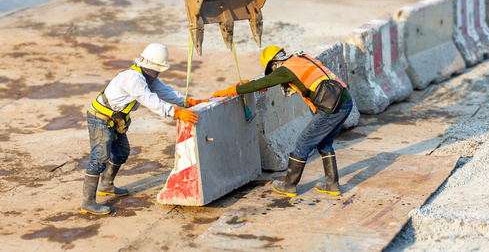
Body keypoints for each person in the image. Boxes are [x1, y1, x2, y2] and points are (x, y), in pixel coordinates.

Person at [212, 46, 354, 198]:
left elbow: (259, 84)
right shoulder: (299, 59)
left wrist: (230, 91)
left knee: (303, 143)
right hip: (345, 101)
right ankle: (332, 184)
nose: (274, 73)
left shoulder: (285, 70)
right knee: (324, 142)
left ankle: (289, 185)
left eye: (272, 71)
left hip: (333, 108)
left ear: (272, 64)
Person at [81, 43, 207, 215]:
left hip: (116, 119)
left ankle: (106, 185)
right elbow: (150, 100)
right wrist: (177, 113)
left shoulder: (146, 76)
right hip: (100, 119)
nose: (158, 74)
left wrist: (188, 102)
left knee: (122, 152)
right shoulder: (134, 79)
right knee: (100, 157)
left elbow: (165, 92)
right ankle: (88, 203)